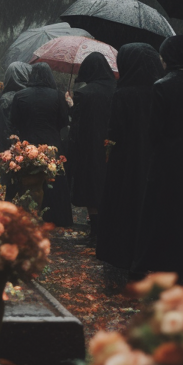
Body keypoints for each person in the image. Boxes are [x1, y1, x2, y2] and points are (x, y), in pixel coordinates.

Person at [134, 35, 183, 279]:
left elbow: (155, 129)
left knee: (161, 208)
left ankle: (160, 258)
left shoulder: (162, 85)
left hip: (166, 157)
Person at [95, 43, 163, 272]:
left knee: (124, 204)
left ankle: (121, 254)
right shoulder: (159, 90)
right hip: (153, 157)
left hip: (125, 159)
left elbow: (115, 130)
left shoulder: (123, 93)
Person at [9, 61, 73, 226]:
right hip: (52, 143)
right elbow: (63, 121)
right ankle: (57, 218)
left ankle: (28, 215)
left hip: (28, 144)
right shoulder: (58, 96)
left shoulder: (20, 96)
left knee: (29, 181)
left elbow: (14, 122)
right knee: (54, 180)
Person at [67, 52, 117, 242]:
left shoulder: (84, 93)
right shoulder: (117, 89)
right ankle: (108, 228)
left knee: (91, 186)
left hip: (90, 146)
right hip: (112, 145)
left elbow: (78, 124)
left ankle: (95, 231)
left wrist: (71, 105)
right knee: (108, 185)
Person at [0, 61, 33, 156]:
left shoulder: (6, 97)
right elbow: (5, 128)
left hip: (14, 147)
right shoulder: (21, 97)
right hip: (16, 147)